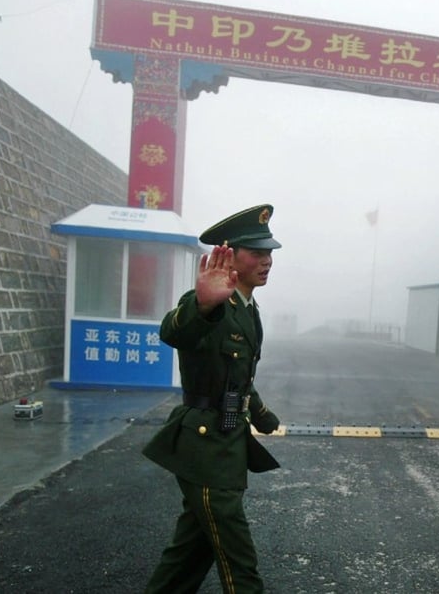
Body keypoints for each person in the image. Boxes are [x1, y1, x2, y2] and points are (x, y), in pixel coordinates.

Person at [143, 204, 284, 594]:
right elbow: (173, 332)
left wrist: (260, 413)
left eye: (269, 253)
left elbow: (235, 378)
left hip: (226, 445)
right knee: (239, 563)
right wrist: (203, 304)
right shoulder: (212, 302)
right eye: (257, 253)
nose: (267, 260)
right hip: (206, 447)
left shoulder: (248, 308)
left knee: (190, 555)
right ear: (229, 255)